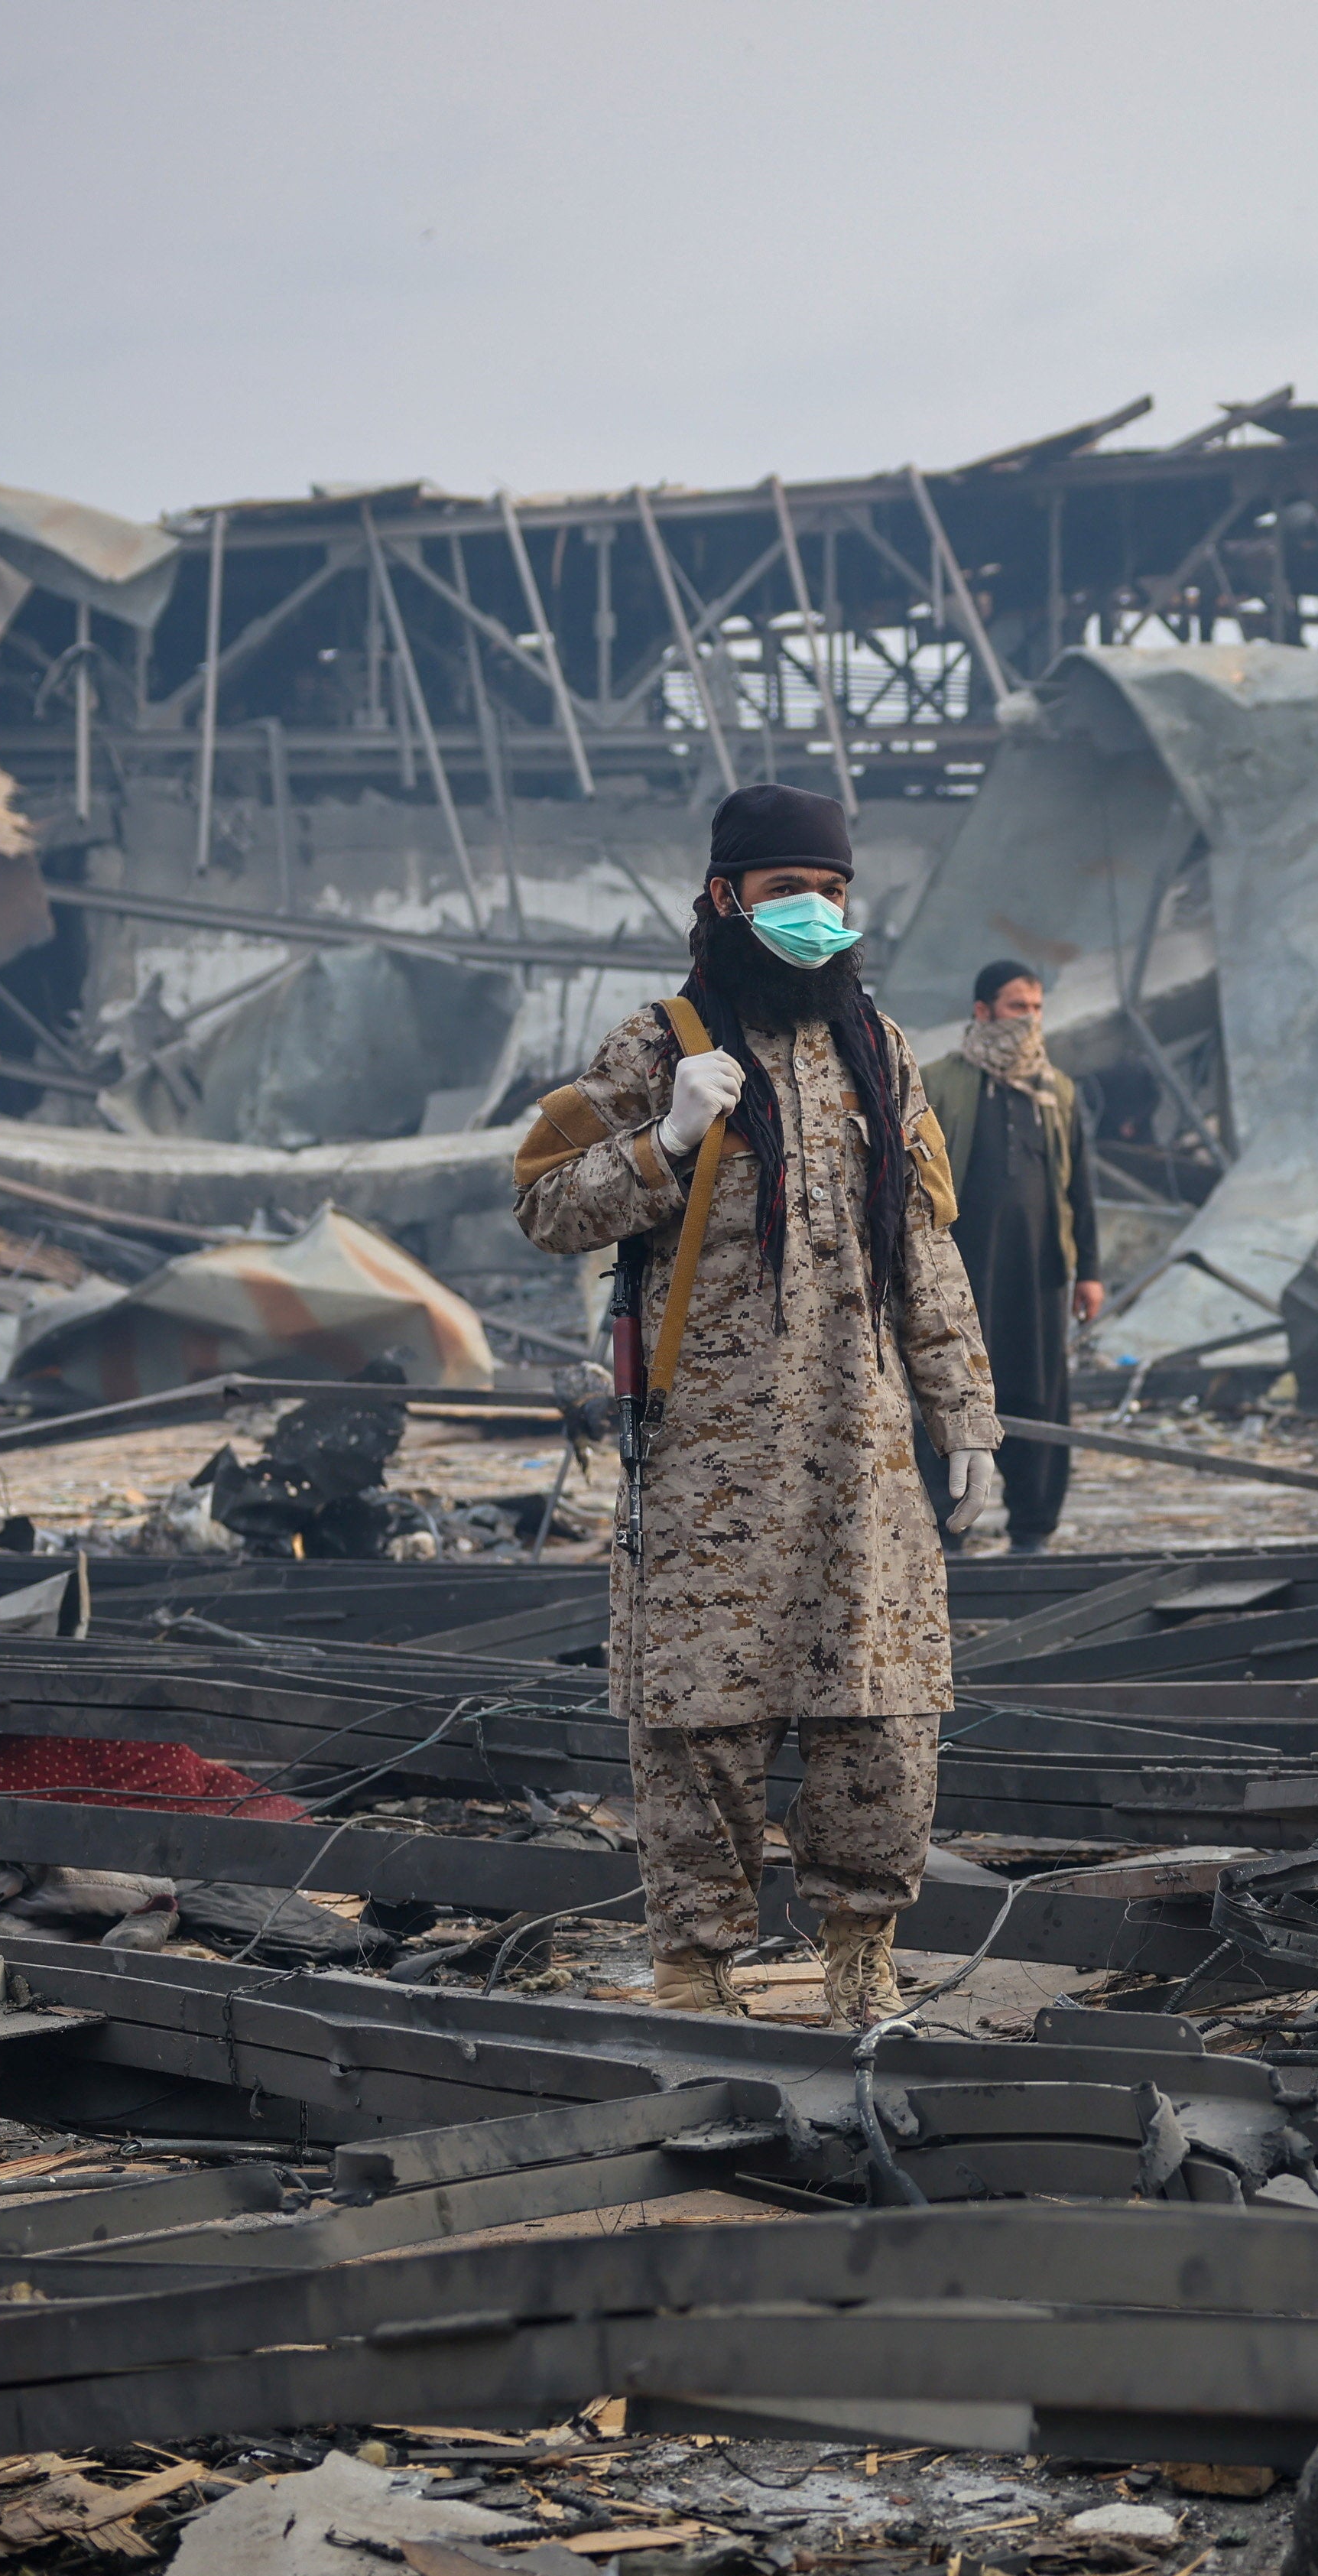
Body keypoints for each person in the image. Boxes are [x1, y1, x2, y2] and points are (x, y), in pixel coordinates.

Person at [511, 784, 1001, 2025]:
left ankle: (858, 1952)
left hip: (861, 1461)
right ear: (728, 899)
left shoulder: (878, 1051)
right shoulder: (657, 1044)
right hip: (706, 1466)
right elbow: (543, 1205)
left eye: (832, 896)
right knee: (699, 1726)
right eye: (790, 894)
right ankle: (696, 1970)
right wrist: (664, 1145)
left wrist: (967, 1421)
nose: (815, 917)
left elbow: (925, 1246)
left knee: (880, 1715)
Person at [915, 959, 1102, 1553]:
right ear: (982, 1011)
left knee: (1039, 1390)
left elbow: (1081, 1188)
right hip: (961, 1271)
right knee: (950, 1386)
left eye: (1037, 1008)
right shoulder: (940, 1082)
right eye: (1018, 1006)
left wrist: (1089, 1272)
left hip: (1040, 1275)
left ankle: (1032, 1527)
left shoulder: (1056, 1090)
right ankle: (944, 1528)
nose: (1030, 1020)